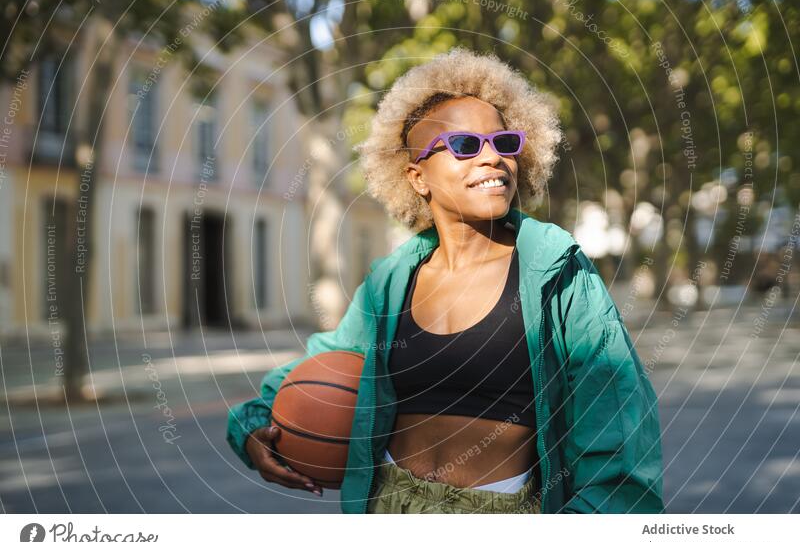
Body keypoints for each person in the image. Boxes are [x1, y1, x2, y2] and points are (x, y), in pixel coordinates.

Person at [226, 47, 665, 514]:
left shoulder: (557, 271)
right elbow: (331, 361)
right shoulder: (391, 281)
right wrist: (253, 426)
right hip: (388, 508)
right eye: (465, 146)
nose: (494, 159)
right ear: (418, 177)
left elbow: (618, 425)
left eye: (505, 143)